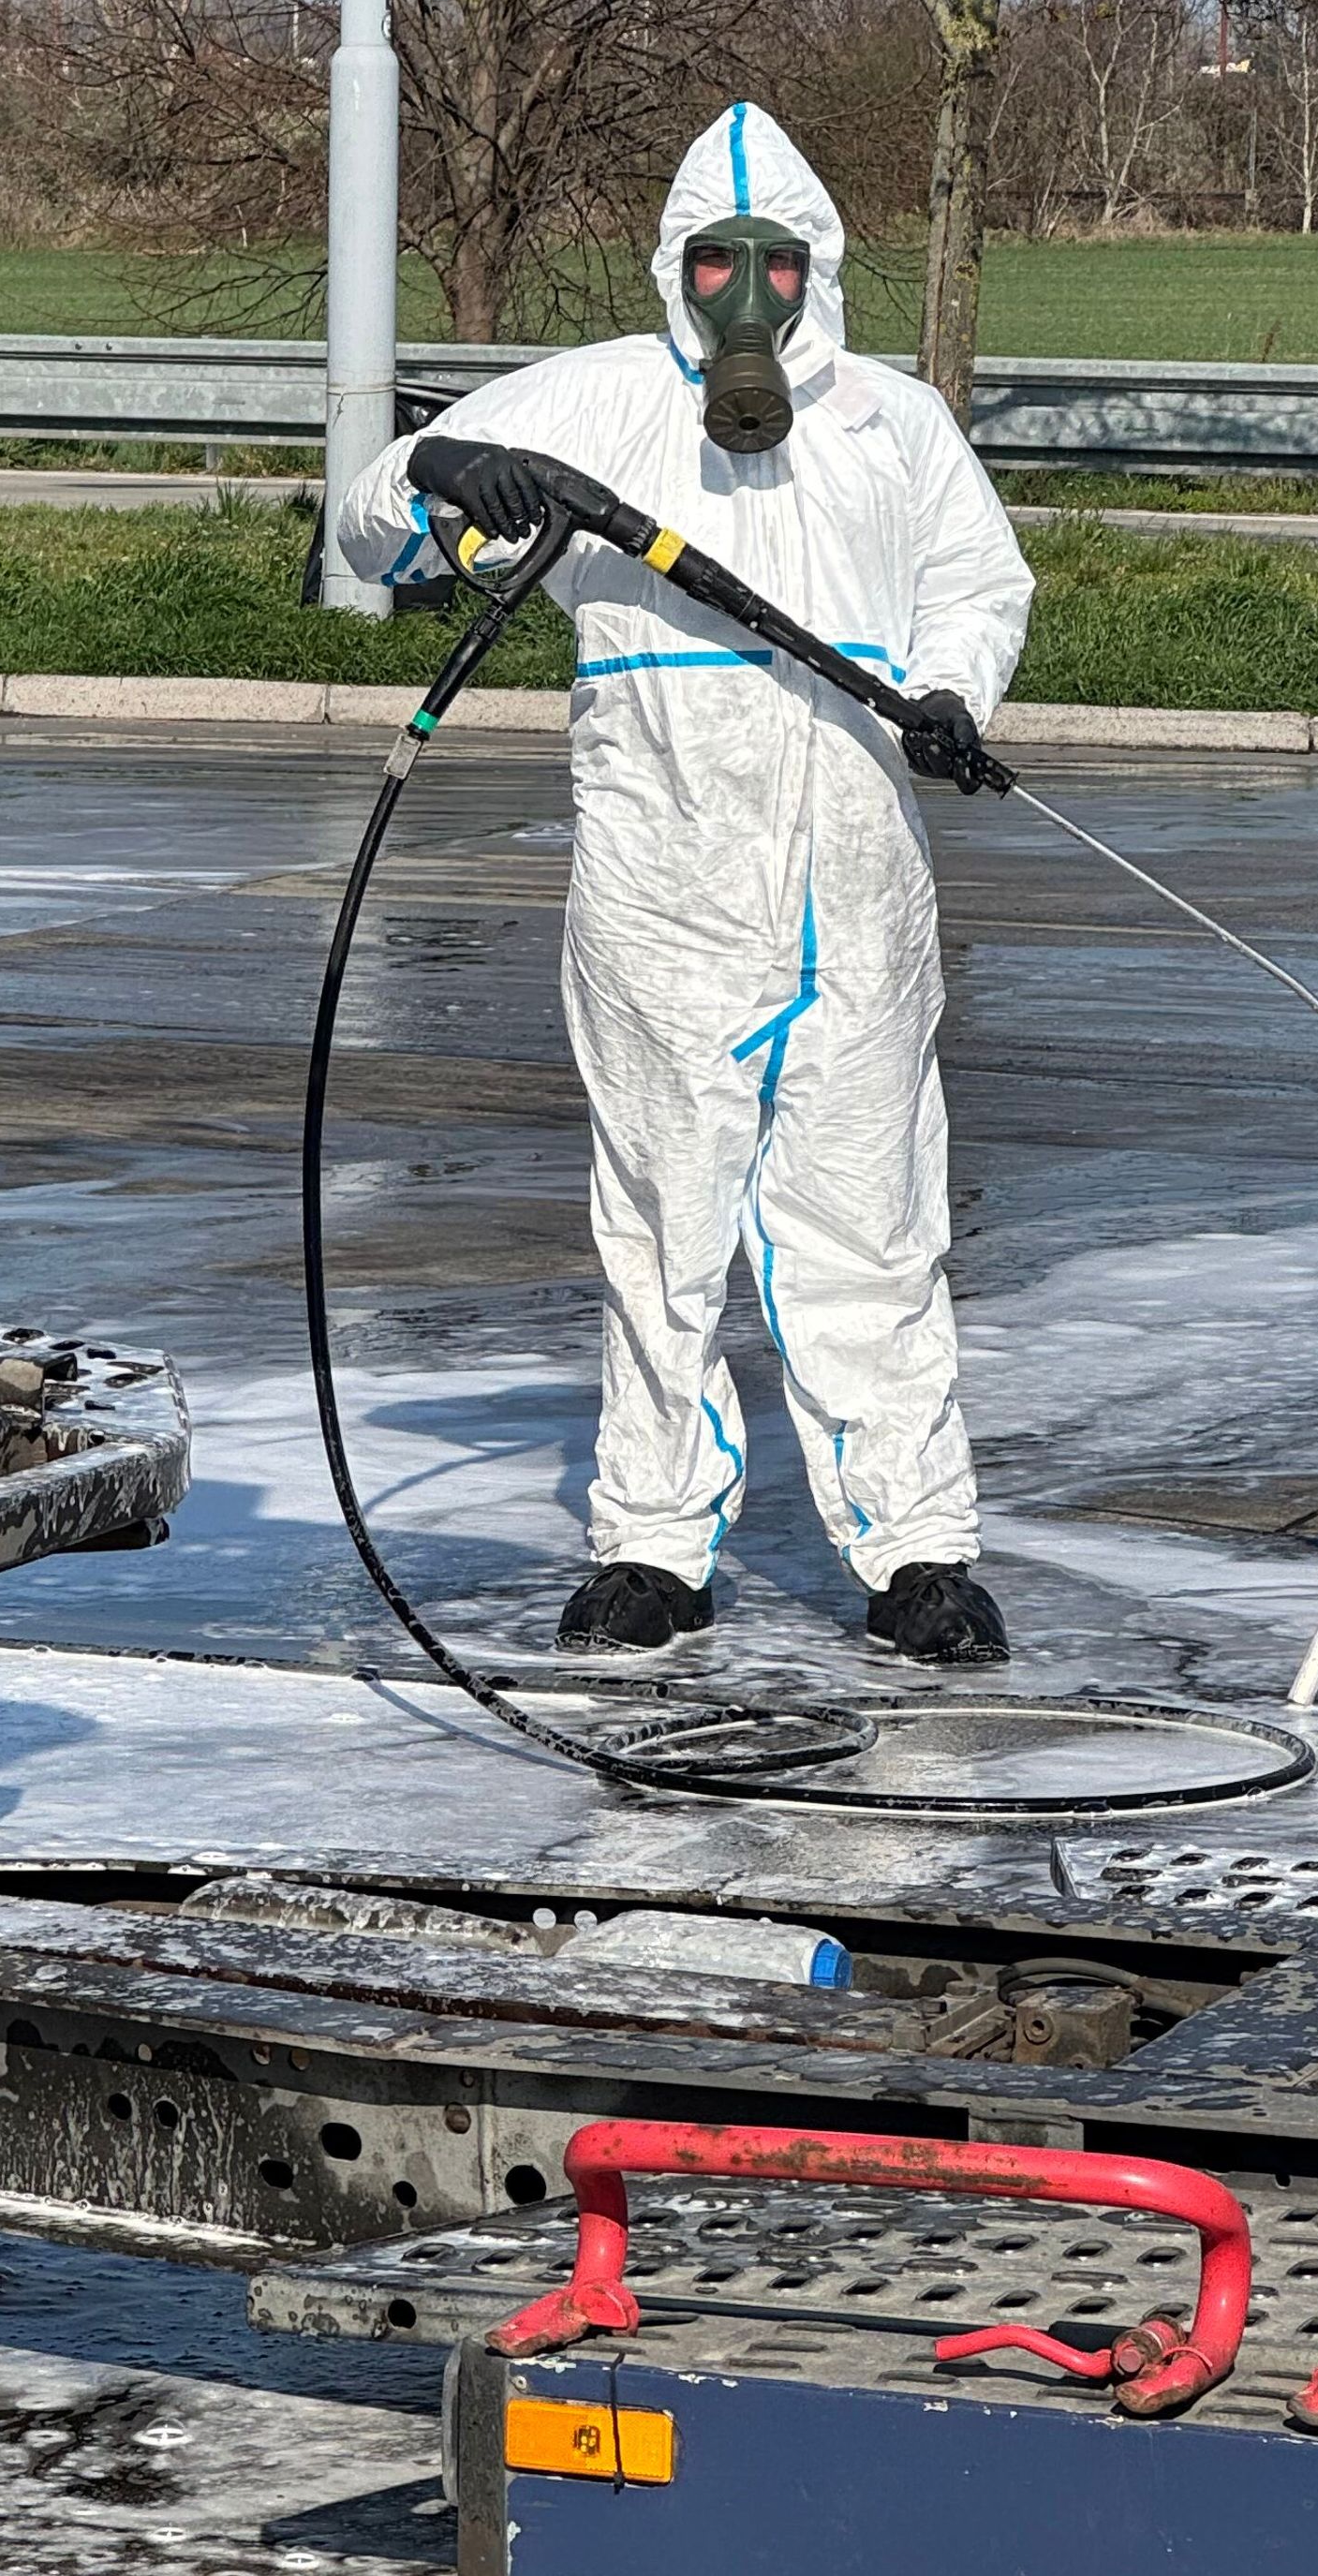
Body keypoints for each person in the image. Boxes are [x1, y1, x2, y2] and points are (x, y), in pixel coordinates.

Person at [337, 103, 1032, 1663]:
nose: (747, 294)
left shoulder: (893, 424)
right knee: (659, 1230)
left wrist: (949, 691)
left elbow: (982, 581)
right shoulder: (593, 405)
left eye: (775, 264)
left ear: (819, 269)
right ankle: (653, 1543)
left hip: (857, 892)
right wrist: (450, 463)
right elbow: (371, 518)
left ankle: (917, 1549)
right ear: (676, 267)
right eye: (717, 260)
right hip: (661, 893)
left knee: (875, 1226)